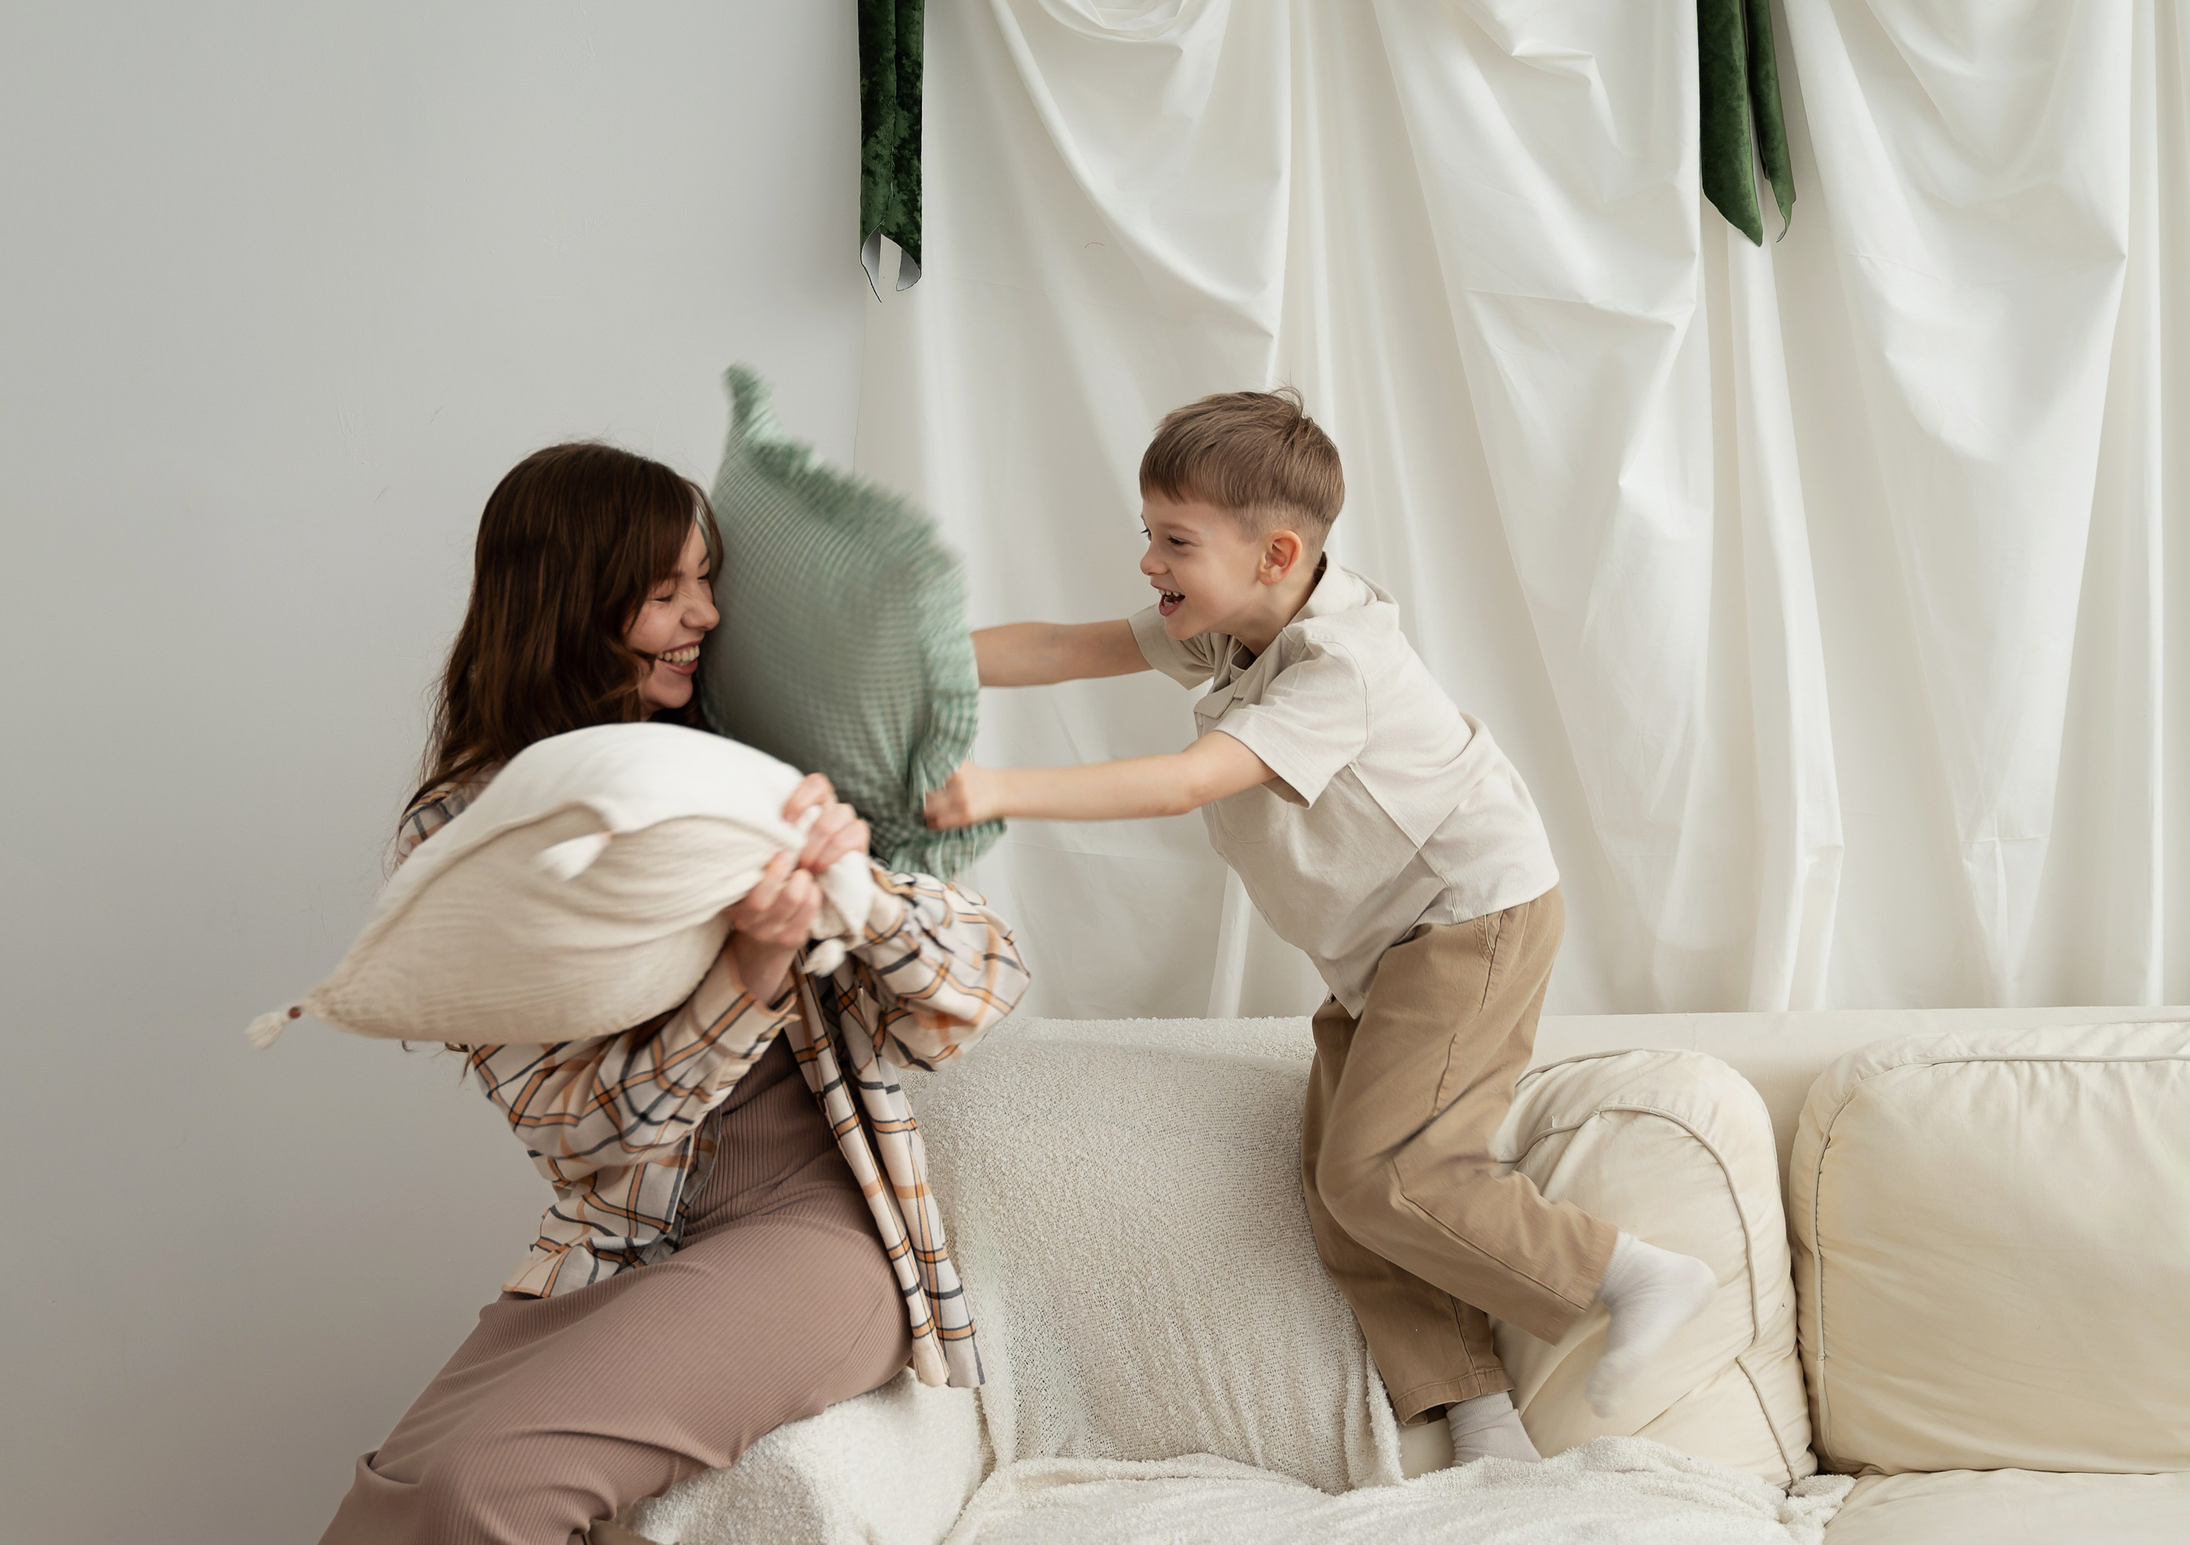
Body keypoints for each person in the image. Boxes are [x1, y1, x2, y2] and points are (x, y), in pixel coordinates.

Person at [926, 390, 1712, 1465]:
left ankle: (1626, 1272)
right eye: (1149, 533)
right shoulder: (1240, 622)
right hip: (1382, 949)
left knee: (1387, 1173)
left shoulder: (1336, 665)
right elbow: (1066, 645)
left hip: (1470, 920)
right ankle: (1477, 1415)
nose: (1149, 562)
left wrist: (996, 788)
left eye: (1173, 541)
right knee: (1342, 1196)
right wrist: (917, 656)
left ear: (1275, 551)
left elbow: (1186, 782)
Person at [323, 441, 1028, 1545]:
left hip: (815, 1232)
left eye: (707, 580)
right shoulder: (466, 834)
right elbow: (580, 1132)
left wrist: (856, 886)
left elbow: (988, 979)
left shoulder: (757, 763)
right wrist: (743, 981)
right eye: (666, 592)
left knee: (480, 1489)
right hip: (614, 1238)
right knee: (389, 1502)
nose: (704, 613)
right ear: (570, 604)